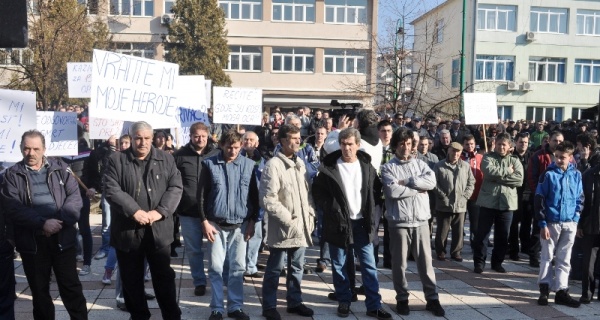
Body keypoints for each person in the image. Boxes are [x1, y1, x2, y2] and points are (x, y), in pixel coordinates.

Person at [1, 130, 87, 320]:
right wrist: (42, 224)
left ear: (44, 149)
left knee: (71, 288)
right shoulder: (11, 175)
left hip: (63, 239)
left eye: (35, 149)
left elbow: (74, 198)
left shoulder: (61, 169)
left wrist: (59, 222)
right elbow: (13, 208)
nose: (31, 153)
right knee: (39, 293)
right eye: (26, 148)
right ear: (21, 149)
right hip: (33, 244)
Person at [104, 121, 183, 320]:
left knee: (164, 278)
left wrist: (161, 211)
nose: (143, 142)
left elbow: (175, 187)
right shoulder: (116, 160)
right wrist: (134, 211)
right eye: (138, 138)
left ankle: (171, 315)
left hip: (159, 231)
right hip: (128, 231)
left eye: (147, 138)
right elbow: (111, 189)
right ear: (131, 138)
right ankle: (139, 316)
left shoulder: (166, 159)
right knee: (131, 279)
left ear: (153, 137)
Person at [312, 128, 392, 320]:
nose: (346, 148)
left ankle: (374, 305)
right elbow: (318, 192)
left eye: (350, 144)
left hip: (362, 224)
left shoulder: (366, 166)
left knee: (369, 265)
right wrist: (331, 208)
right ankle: (344, 300)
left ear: (357, 145)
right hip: (338, 223)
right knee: (339, 264)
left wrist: (373, 214)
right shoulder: (329, 166)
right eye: (343, 144)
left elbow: (375, 191)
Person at [380, 128, 445, 317]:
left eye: (408, 143)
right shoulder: (388, 167)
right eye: (401, 144)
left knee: (426, 263)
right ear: (395, 146)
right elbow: (392, 192)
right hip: (399, 221)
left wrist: (407, 181)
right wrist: (417, 188)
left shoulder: (421, 165)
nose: (405, 147)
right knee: (399, 264)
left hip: (421, 221)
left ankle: (432, 299)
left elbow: (431, 183)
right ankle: (402, 299)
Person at [199, 130, 259, 320]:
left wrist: (252, 222)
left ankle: (235, 307)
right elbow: (201, 196)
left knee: (237, 268)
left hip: (240, 226)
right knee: (216, 268)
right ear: (222, 145)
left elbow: (255, 198)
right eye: (228, 147)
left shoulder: (249, 166)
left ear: (241, 146)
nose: (232, 151)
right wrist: (204, 222)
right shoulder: (209, 164)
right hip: (216, 225)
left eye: (236, 147)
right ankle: (217, 308)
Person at [259, 124, 315, 320]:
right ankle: (269, 306)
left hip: (301, 226)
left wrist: (310, 215)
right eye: (293, 138)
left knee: (297, 268)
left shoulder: (300, 163)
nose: (298, 141)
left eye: (299, 137)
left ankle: (295, 301)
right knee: (275, 269)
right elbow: (268, 199)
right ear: (283, 141)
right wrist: (288, 220)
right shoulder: (273, 165)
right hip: (283, 228)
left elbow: (307, 194)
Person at [534, 141, 582, 308]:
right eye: (557, 157)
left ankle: (561, 290)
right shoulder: (547, 175)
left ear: (570, 158)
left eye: (563, 157)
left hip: (569, 223)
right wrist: (542, 223)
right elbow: (539, 200)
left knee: (564, 258)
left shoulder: (576, 175)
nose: (560, 160)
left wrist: (575, 219)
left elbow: (579, 198)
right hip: (551, 222)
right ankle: (544, 288)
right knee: (547, 256)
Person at [173, 122, 218, 296]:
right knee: (194, 250)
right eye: (197, 136)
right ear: (190, 136)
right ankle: (199, 281)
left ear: (208, 136)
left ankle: (217, 278)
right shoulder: (179, 155)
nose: (200, 140)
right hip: (188, 211)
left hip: (212, 212)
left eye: (204, 136)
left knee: (215, 250)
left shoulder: (216, 154)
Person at [473, 133, 524, 274]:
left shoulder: (514, 160)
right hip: (488, 202)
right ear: (495, 144)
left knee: (502, 236)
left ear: (509, 146)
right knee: (482, 235)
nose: (501, 147)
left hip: (507, 203)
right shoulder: (488, 157)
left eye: (504, 144)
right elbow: (489, 172)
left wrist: (498, 179)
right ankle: (479, 262)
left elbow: (519, 180)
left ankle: (497, 262)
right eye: (499, 144)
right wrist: (507, 171)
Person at [527, 131, 566, 267]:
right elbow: (532, 177)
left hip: (558, 201)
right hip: (542, 198)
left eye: (560, 141)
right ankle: (534, 255)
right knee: (539, 228)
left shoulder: (567, 158)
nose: (557, 143)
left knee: (556, 230)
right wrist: (538, 193)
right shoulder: (539, 156)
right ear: (549, 141)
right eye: (555, 140)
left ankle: (552, 255)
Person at [433, 142, 475, 262]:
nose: (455, 154)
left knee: (459, 231)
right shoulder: (439, 165)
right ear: (449, 151)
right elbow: (434, 183)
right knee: (442, 231)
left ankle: (456, 252)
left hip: (460, 204)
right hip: (444, 204)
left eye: (458, 151)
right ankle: (440, 251)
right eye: (453, 151)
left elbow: (471, 183)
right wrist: (443, 196)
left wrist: (465, 197)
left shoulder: (465, 166)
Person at [240, 131, 267, 278]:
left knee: (255, 238)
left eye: (251, 140)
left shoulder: (263, 161)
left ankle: (251, 266)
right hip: (242, 206)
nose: (248, 142)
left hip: (258, 206)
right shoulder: (237, 158)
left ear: (257, 143)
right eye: (246, 139)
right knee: (242, 239)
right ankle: (240, 267)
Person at [578, 151, 600, 303]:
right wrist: (579, 224)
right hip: (590, 225)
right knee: (588, 264)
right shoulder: (587, 175)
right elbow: (580, 201)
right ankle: (587, 293)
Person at [508, 133, 532, 261]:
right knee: (513, 224)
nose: (523, 144)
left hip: (527, 195)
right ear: (516, 143)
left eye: (526, 142)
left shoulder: (531, 157)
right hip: (514, 194)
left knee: (527, 223)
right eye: (521, 142)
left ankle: (525, 247)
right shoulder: (511, 156)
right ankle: (513, 249)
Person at [460, 134, 483, 247]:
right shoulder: (460, 157)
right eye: (467, 144)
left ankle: (475, 245)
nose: (469, 146)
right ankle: (458, 246)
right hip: (462, 195)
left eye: (472, 144)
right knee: (460, 223)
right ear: (463, 145)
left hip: (476, 195)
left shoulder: (480, 157)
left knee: (476, 223)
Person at [0, 170, 15, 320]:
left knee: (4, 295)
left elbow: (11, 209)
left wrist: (10, 238)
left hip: (2, 245)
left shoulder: (3, 181)